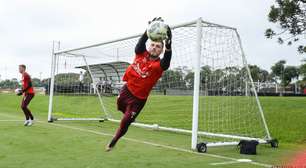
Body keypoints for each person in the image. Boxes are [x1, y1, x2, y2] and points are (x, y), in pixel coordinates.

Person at [106, 17, 172, 151]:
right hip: (126, 90)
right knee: (119, 106)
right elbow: (140, 43)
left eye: (158, 46)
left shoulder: (158, 65)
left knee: (125, 122)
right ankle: (130, 116)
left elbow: (166, 61)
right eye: (152, 45)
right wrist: (148, 30)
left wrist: (169, 45)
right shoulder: (140, 53)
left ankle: (114, 140)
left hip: (138, 100)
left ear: (161, 50)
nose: (154, 48)